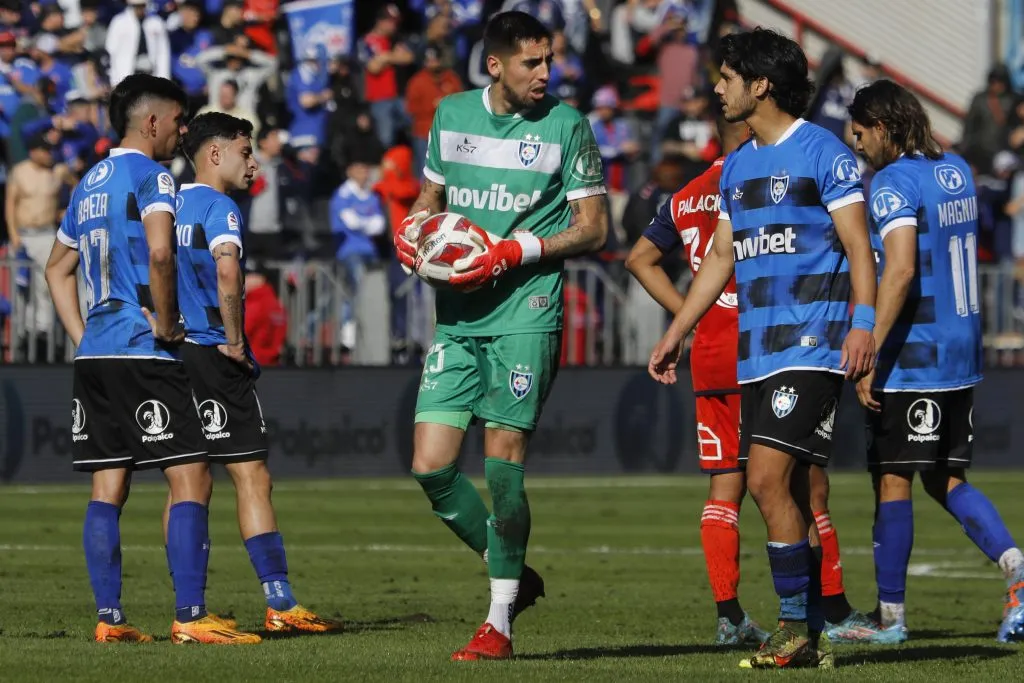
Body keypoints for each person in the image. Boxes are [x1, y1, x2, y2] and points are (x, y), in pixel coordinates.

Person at [648, 28, 879, 669]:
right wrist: (676, 331)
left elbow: (859, 248)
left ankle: (793, 627)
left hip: (812, 345)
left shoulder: (824, 153)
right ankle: (812, 630)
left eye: (727, 77)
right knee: (794, 493)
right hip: (757, 352)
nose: (716, 88)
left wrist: (862, 325)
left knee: (764, 479)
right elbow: (721, 256)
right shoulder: (739, 165)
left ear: (760, 85)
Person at [392, 10, 609, 661]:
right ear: (495, 65)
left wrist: (517, 250)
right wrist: (414, 228)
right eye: (530, 63)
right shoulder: (452, 114)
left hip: (526, 308)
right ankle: (511, 567)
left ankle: (499, 623)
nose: (545, 73)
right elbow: (430, 200)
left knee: (502, 464)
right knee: (430, 465)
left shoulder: (567, 125)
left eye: (549, 61)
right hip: (458, 315)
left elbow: (594, 227)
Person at [43, 74, 259, 645]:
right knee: (191, 476)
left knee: (107, 487)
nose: (182, 133)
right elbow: (161, 251)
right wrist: (165, 323)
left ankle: (109, 619)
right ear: (152, 121)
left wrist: (82, 335)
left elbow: (56, 270)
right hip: (144, 349)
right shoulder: (153, 176)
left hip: (96, 354)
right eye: (179, 121)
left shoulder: (88, 182)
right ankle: (191, 616)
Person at [850, 79, 1024, 644]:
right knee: (945, 478)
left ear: (883, 127)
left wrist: (869, 347)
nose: (856, 144)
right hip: (960, 349)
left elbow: (900, 269)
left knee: (893, 478)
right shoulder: (955, 169)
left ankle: (890, 621)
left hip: (916, 353)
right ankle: (1018, 572)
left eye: (860, 133)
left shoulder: (892, 182)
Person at [171, 111, 343, 633]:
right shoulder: (218, 206)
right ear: (215, 153)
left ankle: (189, 612)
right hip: (212, 351)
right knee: (251, 475)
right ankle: (280, 602)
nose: (254, 163)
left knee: (186, 483)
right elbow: (228, 270)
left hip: (169, 354)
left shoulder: (167, 204)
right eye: (245, 152)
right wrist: (235, 340)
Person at [6, 133, 75, 354]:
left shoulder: (57, 172)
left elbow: (79, 188)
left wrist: (67, 211)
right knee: (21, 287)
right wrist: (14, 236)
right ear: (33, 151)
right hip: (23, 235)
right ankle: (23, 333)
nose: (49, 154)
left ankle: (43, 332)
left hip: (47, 234)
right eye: (45, 150)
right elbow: (10, 204)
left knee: (46, 284)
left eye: (50, 150)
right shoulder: (20, 172)